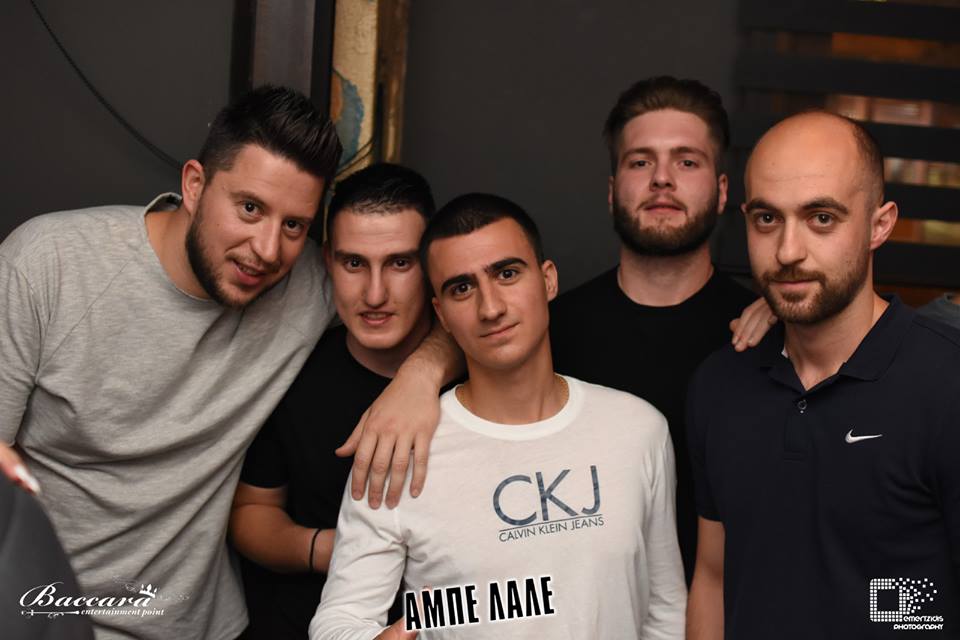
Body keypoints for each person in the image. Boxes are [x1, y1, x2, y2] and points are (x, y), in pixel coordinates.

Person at [0, 86, 455, 640]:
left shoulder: (317, 283)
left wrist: (420, 376)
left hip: (208, 629)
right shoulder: (49, 266)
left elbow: (472, 310)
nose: (267, 249)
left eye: (294, 225)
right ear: (194, 185)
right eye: (250, 208)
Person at [311, 193, 687, 640]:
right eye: (462, 288)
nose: (490, 308)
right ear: (441, 314)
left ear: (548, 280)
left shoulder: (637, 429)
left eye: (507, 274)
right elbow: (339, 620)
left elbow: (664, 608)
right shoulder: (402, 447)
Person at [687, 111, 960, 638]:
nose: (788, 252)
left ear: (879, 225)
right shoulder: (719, 385)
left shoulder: (946, 385)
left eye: (821, 218)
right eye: (767, 219)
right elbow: (714, 577)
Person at [549, 77, 767, 581]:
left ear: (722, 192)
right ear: (612, 192)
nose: (662, 179)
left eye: (687, 162)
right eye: (640, 162)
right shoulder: (552, 331)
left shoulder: (766, 335)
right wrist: (420, 374)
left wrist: (796, 317)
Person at [229, 163, 435, 638]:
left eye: (400, 263)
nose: (375, 294)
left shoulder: (476, 367)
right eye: (354, 263)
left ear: (431, 262)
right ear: (327, 261)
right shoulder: (293, 371)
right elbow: (250, 514)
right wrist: (338, 550)